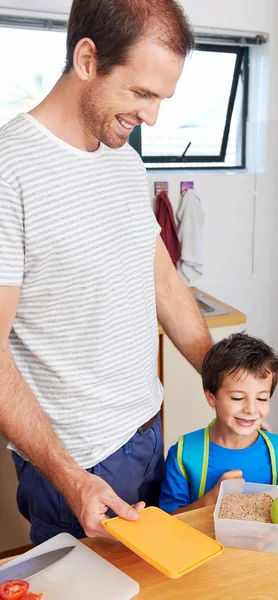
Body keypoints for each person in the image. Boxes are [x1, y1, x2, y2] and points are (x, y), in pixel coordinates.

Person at [0, 0, 215, 546]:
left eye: (161, 99)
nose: (152, 118)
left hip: (146, 431)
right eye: (142, 94)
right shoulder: (10, 172)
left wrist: (220, 373)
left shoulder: (123, 159)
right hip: (78, 463)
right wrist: (72, 480)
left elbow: (162, 279)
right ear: (88, 59)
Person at [159, 333, 278, 514]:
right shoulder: (184, 455)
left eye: (262, 398)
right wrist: (210, 500)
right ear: (211, 397)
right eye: (238, 397)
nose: (251, 409)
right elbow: (168, 521)